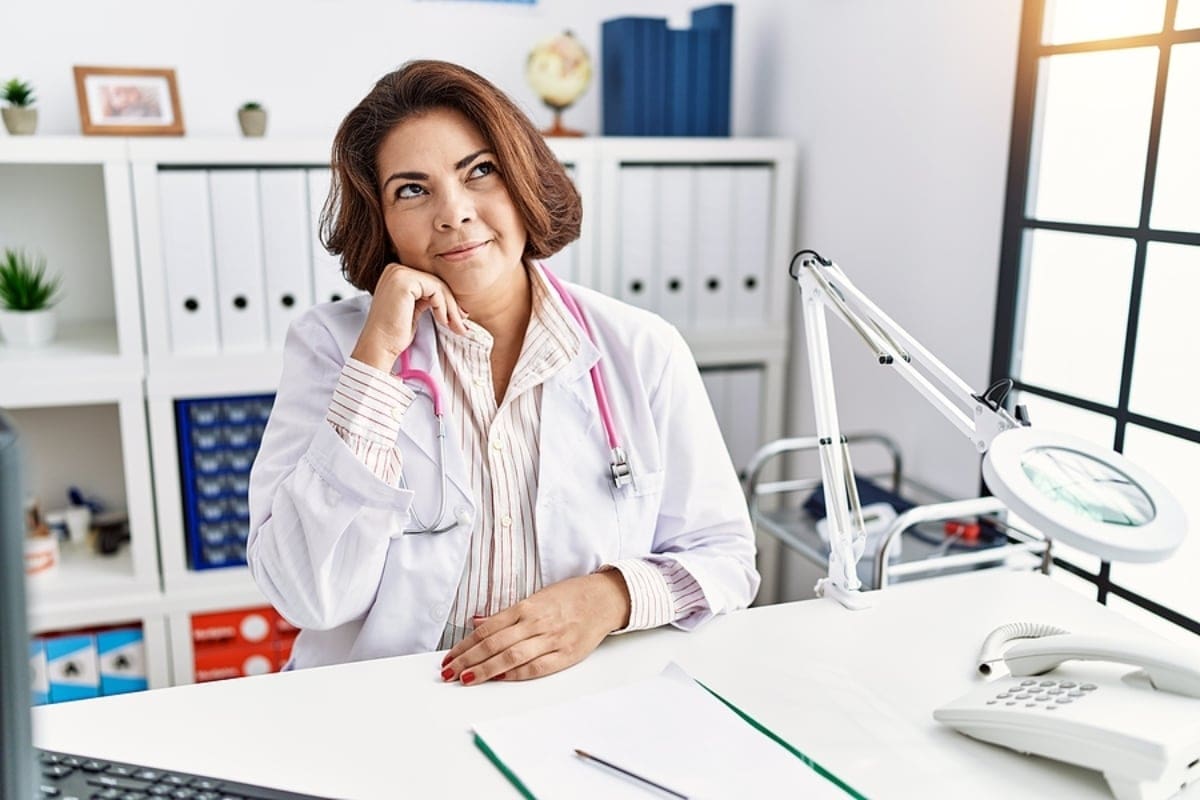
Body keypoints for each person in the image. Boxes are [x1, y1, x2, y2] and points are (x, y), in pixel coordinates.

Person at [247, 60, 758, 686]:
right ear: (379, 219)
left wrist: (607, 598)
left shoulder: (641, 349)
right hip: (381, 707)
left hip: (575, 699)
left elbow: (726, 557)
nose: (453, 213)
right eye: (412, 189)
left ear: (521, 177)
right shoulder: (333, 348)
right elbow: (306, 596)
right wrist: (376, 360)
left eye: (479, 172)